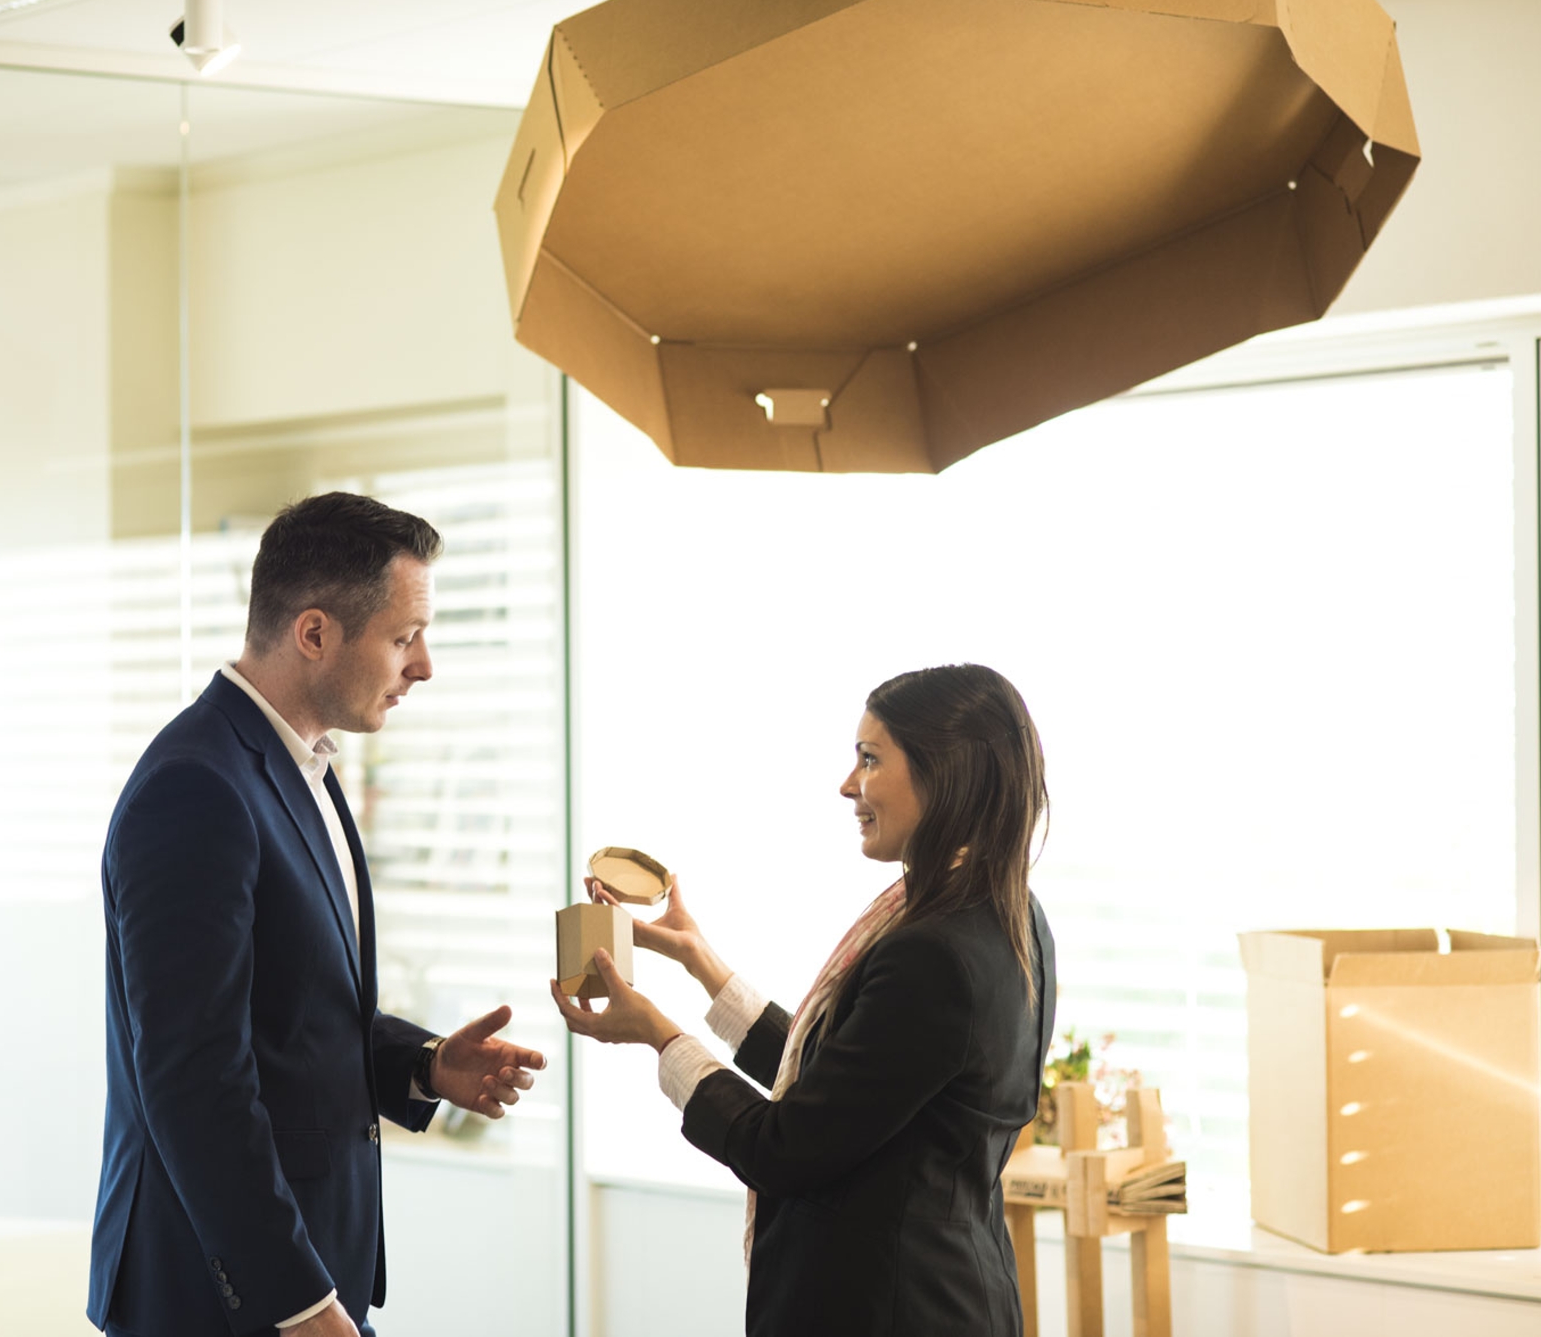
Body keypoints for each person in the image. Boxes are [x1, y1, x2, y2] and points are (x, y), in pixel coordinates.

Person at [90, 492, 548, 1337]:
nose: (425, 665)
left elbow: (289, 1017)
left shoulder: (305, 767)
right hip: (221, 1296)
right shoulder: (196, 787)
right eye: (405, 637)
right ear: (314, 634)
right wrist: (299, 1306)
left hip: (305, 1276)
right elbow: (194, 1081)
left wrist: (426, 1065)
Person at [552, 664, 1057, 1336]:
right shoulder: (1008, 913)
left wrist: (660, 1036)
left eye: (870, 760)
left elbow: (784, 1149)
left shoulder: (934, 951)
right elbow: (848, 1087)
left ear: (947, 773)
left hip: (897, 1309)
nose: (848, 785)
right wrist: (702, 963)